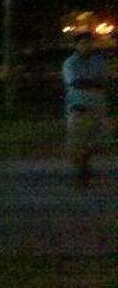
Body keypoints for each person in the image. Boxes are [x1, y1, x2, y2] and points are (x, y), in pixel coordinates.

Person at [62, 31, 110, 187]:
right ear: (76, 45)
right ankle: (82, 173)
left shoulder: (98, 60)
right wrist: (93, 82)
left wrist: (88, 82)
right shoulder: (70, 63)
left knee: (95, 141)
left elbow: (104, 81)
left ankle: (84, 168)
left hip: (97, 106)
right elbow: (75, 82)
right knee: (78, 142)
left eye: (89, 43)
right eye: (83, 43)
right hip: (78, 107)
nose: (86, 46)